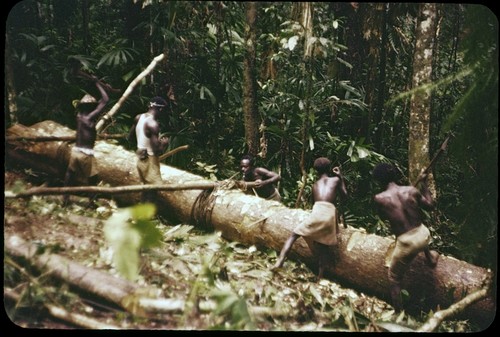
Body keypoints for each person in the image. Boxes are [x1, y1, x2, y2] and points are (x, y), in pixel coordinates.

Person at [372, 163, 439, 312]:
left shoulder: (379, 198)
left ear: (379, 181)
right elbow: (430, 205)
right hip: (424, 234)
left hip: (407, 243)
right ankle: (430, 258)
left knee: (393, 278)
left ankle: (399, 314)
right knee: (418, 234)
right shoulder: (411, 190)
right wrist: (423, 183)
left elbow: (383, 216)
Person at [271, 157, 348, 279]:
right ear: (329, 169)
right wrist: (340, 177)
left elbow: (315, 205)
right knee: (324, 247)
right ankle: (320, 277)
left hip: (318, 211)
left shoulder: (315, 185)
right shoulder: (335, 180)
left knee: (294, 235)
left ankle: (279, 261)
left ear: (316, 171)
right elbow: (344, 195)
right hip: (329, 214)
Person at [63, 77, 109, 206]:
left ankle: (65, 197)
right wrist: (96, 83)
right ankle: (92, 201)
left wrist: (95, 84)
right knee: (93, 178)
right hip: (86, 154)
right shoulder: (89, 118)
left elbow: (98, 103)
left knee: (70, 173)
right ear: (91, 108)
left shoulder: (79, 116)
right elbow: (105, 100)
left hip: (76, 151)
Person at [128, 96, 170, 204]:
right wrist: (164, 144)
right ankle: (148, 217)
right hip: (150, 160)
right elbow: (157, 150)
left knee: (146, 187)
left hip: (140, 156)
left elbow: (130, 137)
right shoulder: (153, 124)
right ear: (160, 109)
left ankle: (142, 213)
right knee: (153, 189)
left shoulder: (138, 117)